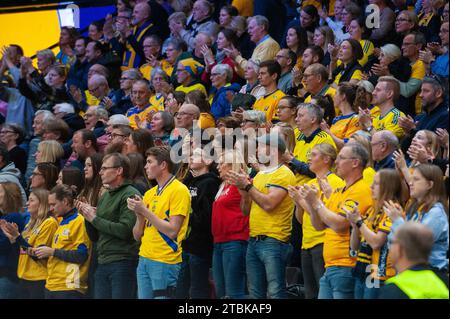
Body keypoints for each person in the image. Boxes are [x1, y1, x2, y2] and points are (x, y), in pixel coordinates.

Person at [297, 143, 374, 299]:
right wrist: (312, 204)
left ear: (355, 163)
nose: (336, 162)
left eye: (341, 158)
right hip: (331, 265)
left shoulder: (361, 189)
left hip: (346, 265)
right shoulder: (339, 192)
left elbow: (339, 224)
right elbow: (319, 225)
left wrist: (316, 203)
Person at [227, 133, 295, 299]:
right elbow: (245, 211)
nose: (257, 150)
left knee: (275, 292)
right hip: (254, 239)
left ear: (273, 151)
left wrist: (248, 187)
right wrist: (243, 193)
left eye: (261, 146)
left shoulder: (284, 174)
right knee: (255, 294)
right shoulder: (260, 175)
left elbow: (269, 205)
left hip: (274, 240)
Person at [128, 146, 191, 299]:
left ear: (163, 165)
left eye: (149, 162)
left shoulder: (179, 190)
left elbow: (172, 230)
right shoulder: (149, 193)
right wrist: (139, 215)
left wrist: (145, 211)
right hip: (144, 257)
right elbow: (137, 236)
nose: (145, 166)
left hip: (164, 260)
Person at [77, 152, 140, 299]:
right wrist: (88, 217)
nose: (100, 172)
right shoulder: (105, 196)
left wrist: (94, 218)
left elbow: (126, 231)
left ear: (119, 171)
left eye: (105, 168)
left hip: (123, 262)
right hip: (103, 260)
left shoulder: (130, 194)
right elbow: (94, 236)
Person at [288, 144, 345, 299]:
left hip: (323, 243)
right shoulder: (310, 183)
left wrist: (301, 199)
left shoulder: (335, 182)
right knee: (310, 293)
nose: (309, 158)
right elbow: (300, 220)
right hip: (306, 243)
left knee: (323, 292)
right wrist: (297, 202)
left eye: (313, 155)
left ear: (326, 159)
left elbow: (324, 216)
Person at [347, 169, 404, 299]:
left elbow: (376, 243)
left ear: (388, 186)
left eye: (376, 183)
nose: (371, 186)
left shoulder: (393, 210)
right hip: (364, 270)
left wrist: (360, 223)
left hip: (380, 275)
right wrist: (355, 226)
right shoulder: (372, 210)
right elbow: (354, 247)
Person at [384, 164, 449, 272]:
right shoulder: (415, 209)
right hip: (411, 272)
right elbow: (393, 242)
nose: (410, 183)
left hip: (430, 275)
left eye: (416, 179)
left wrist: (398, 221)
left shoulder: (436, 213)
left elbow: (416, 245)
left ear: (429, 184)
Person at [176, 148, 221, 299]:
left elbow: (206, 218)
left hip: (200, 245)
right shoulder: (189, 181)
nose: (191, 157)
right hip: (186, 244)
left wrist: (186, 214)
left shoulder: (210, 183)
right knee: (180, 288)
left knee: (198, 289)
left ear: (208, 161)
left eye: (196, 155)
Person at [33, 184, 90, 299]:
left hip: (69, 286)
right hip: (52, 285)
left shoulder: (79, 221)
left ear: (65, 201)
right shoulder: (61, 223)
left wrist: (52, 251)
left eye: (53, 204)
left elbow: (81, 255)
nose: (51, 209)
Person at [0, 188, 57, 299]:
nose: (27, 203)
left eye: (31, 200)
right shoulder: (30, 224)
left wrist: (18, 237)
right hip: (24, 276)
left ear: (42, 203)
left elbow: (37, 255)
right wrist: (13, 239)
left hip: (38, 278)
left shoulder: (49, 223)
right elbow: (22, 252)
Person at [212, 150, 249, 299]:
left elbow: (247, 207)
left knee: (233, 292)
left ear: (232, 164)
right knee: (220, 292)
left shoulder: (242, 182)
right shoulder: (222, 185)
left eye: (222, 163)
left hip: (235, 241)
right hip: (219, 242)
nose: (218, 167)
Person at [379, 222, 449, 299]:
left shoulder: (393, 289)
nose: (390, 247)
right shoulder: (444, 282)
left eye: (392, 242)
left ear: (399, 249)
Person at [287, 103, 336, 185]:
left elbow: (319, 171)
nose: (296, 119)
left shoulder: (324, 139)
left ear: (313, 119)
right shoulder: (300, 140)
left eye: (300, 116)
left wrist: (292, 160)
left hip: (315, 189)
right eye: (297, 116)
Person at [321, 82, 366, 149]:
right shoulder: (336, 119)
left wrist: (327, 131)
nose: (334, 96)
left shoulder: (355, 119)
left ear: (343, 96)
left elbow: (347, 145)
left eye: (336, 93)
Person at [0, 182, 25, 299]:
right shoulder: (4, 217)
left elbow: (3, 244)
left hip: (7, 274)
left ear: (9, 196)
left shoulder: (14, 217)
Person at [25, 110, 55, 182]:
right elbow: (31, 169)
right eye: (33, 122)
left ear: (48, 125)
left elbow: (31, 170)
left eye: (37, 123)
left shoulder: (36, 142)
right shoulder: (35, 142)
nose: (33, 126)